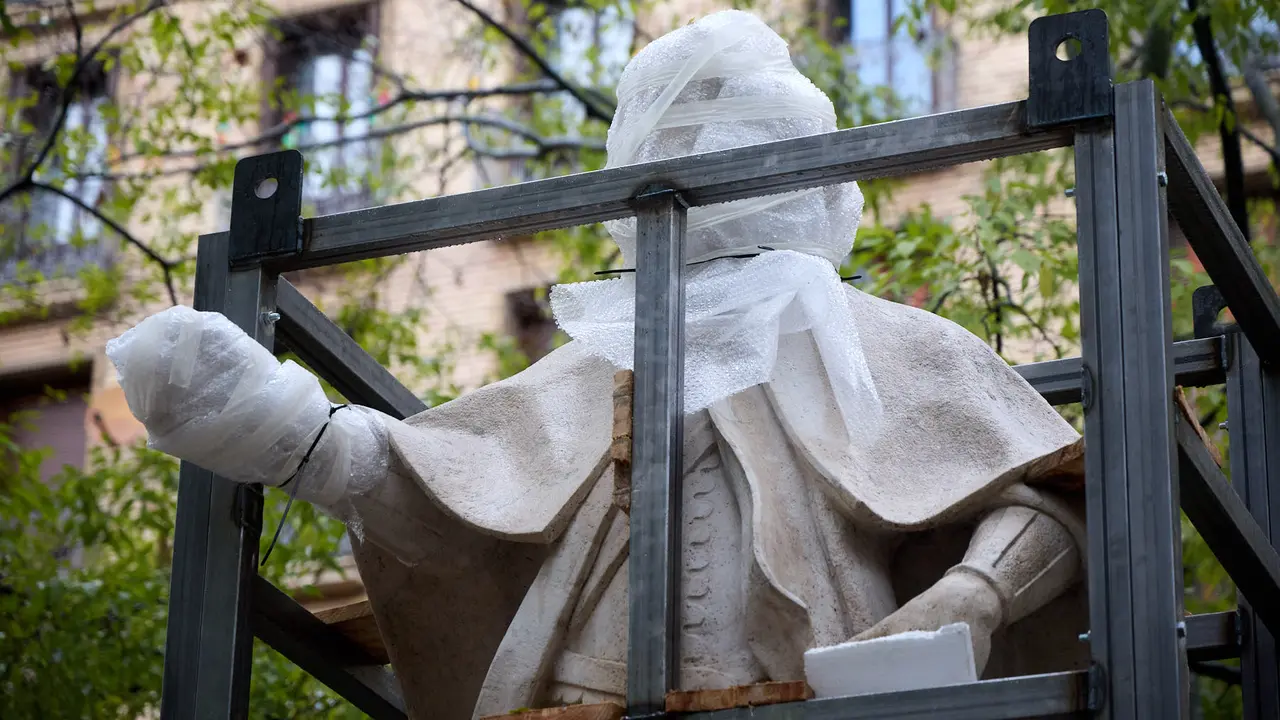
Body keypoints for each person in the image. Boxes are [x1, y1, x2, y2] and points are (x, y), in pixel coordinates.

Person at [108, 10, 1089, 719]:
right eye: (688, 148)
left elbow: (1057, 492)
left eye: (740, 147)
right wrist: (287, 432)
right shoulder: (600, 360)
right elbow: (446, 489)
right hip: (584, 693)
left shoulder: (886, 348)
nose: (714, 175)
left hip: (819, 680)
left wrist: (973, 594)